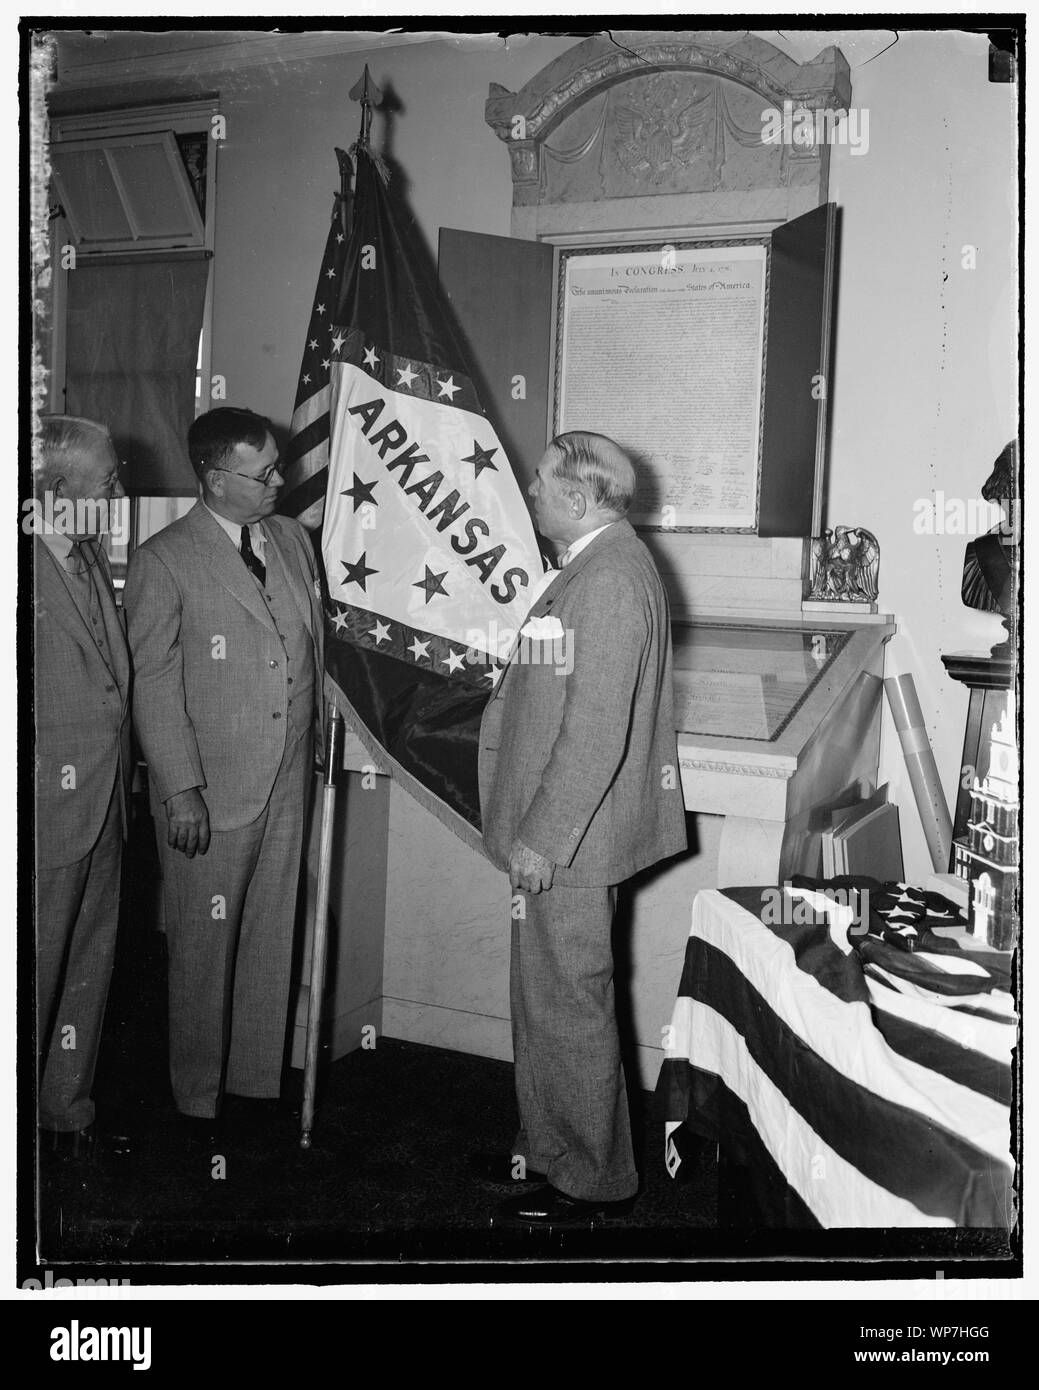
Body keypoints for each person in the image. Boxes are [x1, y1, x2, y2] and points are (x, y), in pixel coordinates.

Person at [475, 430, 687, 1224]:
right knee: (547, 999)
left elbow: (594, 731)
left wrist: (542, 836)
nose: (528, 493)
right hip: (566, 833)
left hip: (569, 839)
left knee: (567, 1005)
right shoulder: (600, 564)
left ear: (575, 495)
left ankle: (590, 1179)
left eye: (537, 483)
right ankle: (548, 1149)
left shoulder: (606, 577)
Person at [123, 407, 323, 1141]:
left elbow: (312, 648)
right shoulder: (165, 559)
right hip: (210, 789)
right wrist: (180, 789)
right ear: (213, 478)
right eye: (263, 472)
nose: (279, 481)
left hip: (286, 778)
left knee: (271, 933)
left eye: (278, 466)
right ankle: (197, 1099)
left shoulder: (293, 542)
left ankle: (252, 1085)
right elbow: (154, 682)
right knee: (205, 949)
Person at [33, 415, 131, 1159]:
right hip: (40, 809)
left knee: (88, 958)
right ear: (55, 488)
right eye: (106, 481)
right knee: (28, 972)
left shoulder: (88, 554)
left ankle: (65, 1107)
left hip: (103, 803)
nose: (117, 489)